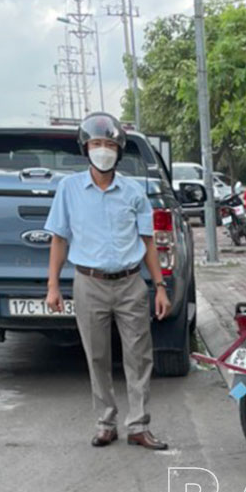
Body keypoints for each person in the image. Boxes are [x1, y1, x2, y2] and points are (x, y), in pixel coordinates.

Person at [44, 112, 172, 450]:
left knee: (139, 356)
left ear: (120, 150)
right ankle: (105, 422)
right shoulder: (69, 189)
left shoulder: (133, 192)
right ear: (86, 148)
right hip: (89, 283)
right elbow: (59, 238)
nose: (103, 150)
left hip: (131, 284)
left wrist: (160, 286)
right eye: (97, 143)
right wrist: (53, 286)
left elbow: (148, 242)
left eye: (110, 144)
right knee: (97, 356)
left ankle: (139, 426)